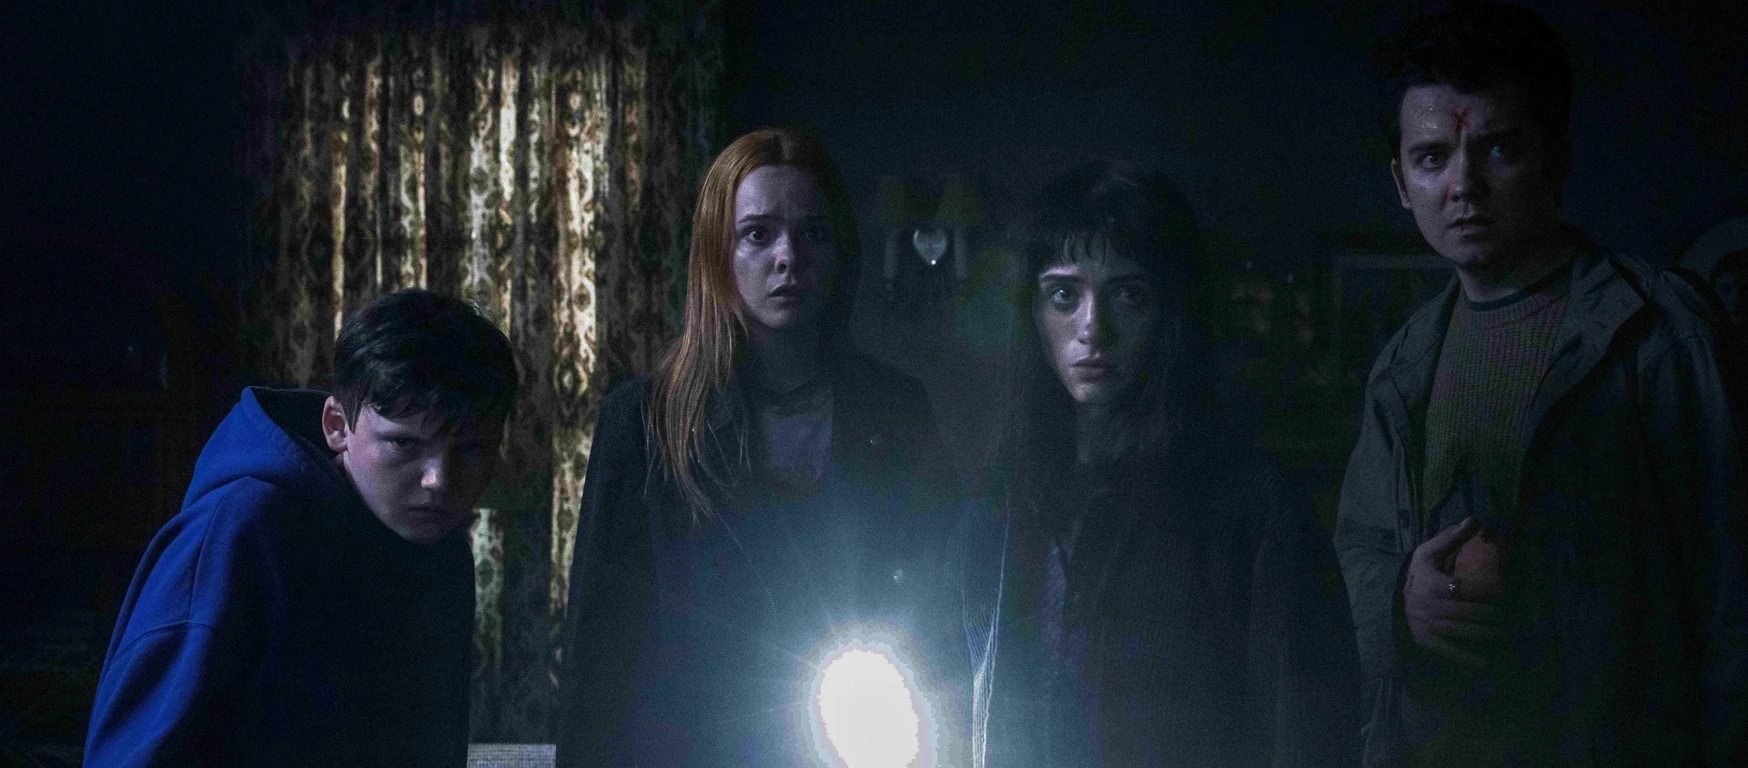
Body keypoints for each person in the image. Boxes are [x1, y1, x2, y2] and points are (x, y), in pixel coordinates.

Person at [1334, 2, 1748, 765]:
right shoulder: (1405, 363)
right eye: (1433, 158)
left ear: (1556, 156)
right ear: (1402, 183)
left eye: (1500, 148)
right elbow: (1359, 552)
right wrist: (1402, 600)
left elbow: (1746, 606)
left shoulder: (1664, 336)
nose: (1464, 185)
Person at [556, 127, 965, 767]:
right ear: (717, 252)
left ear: (839, 249)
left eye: (812, 233)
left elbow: (942, 624)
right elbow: (599, 654)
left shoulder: (896, 409)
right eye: (758, 234)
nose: (788, 257)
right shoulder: (644, 421)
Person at [965, 160, 1361, 767]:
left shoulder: (1252, 508)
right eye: (1064, 295)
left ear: (1170, 309)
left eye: (1128, 294)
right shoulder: (1008, 497)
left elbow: (1308, 738)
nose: (1093, 329)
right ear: (1033, 311)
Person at [85, 289, 518, 767]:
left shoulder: (443, 552)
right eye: (404, 444)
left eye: (471, 449)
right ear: (337, 425)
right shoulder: (241, 531)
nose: (439, 480)